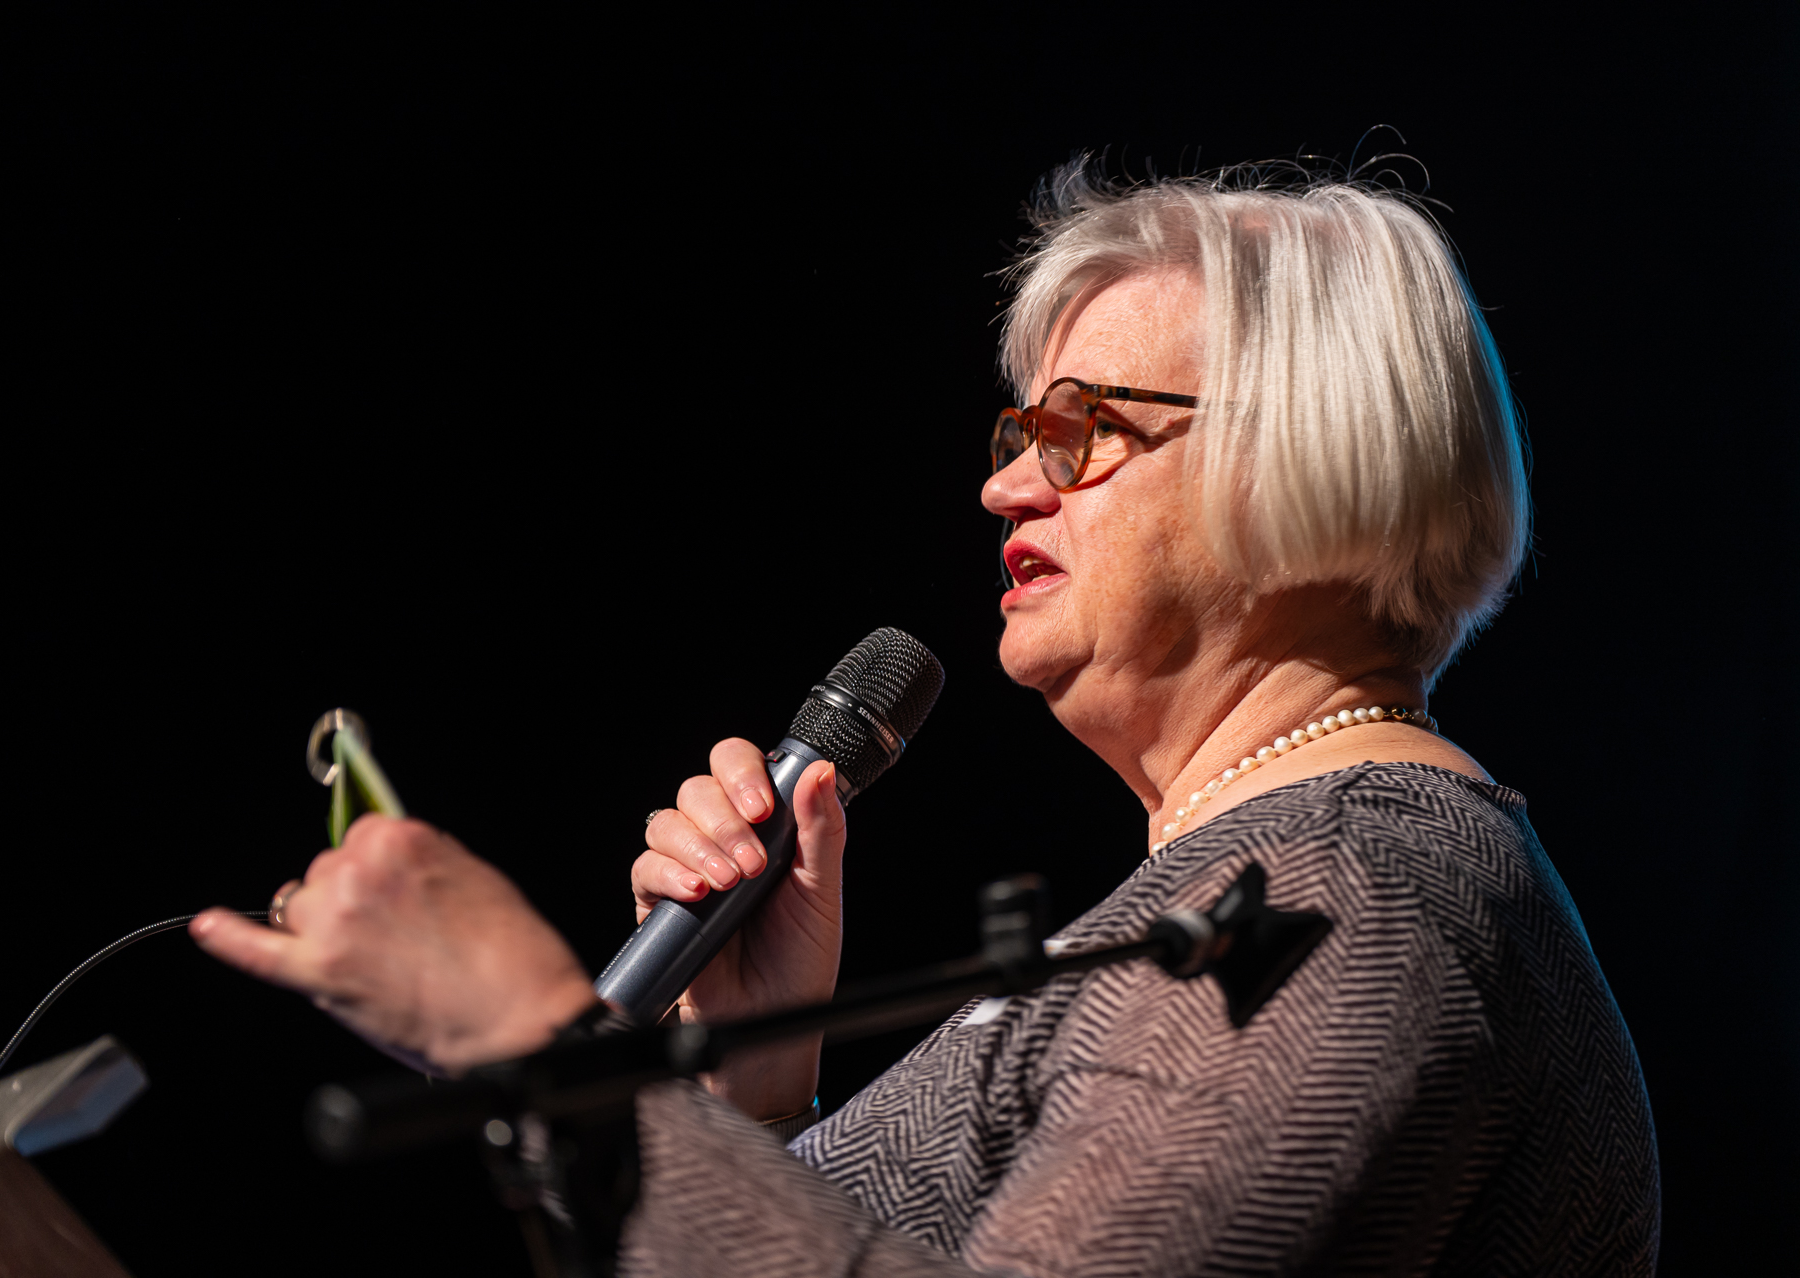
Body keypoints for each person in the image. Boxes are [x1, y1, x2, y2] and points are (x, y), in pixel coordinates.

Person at [191, 166, 1661, 1275]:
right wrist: (751, 1102)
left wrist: (541, 1037)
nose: (1004, 486)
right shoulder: (1277, 881)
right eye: (1019, 434)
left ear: (1301, 455)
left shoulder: (1346, 899)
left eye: (1080, 430)